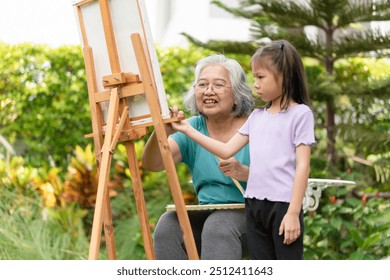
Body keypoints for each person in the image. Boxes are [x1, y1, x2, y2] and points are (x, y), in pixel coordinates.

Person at [171, 39, 316, 260]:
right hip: (254, 206)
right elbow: (226, 149)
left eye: (260, 77)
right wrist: (188, 130)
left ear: (284, 76)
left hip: (283, 206)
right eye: (254, 77)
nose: (254, 84)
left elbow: (303, 166)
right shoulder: (257, 117)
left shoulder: (301, 114)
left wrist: (294, 212)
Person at [142, 54, 254, 259]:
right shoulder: (192, 127)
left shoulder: (256, 125)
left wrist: (245, 172)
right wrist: (162, 131)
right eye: (202, 84)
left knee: (219, 224)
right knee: (168, 225)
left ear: (237, 94)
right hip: (209, 216)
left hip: (253, 217)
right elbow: (153, 163)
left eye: (218, 85)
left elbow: (281, 177)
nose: (208, 91)